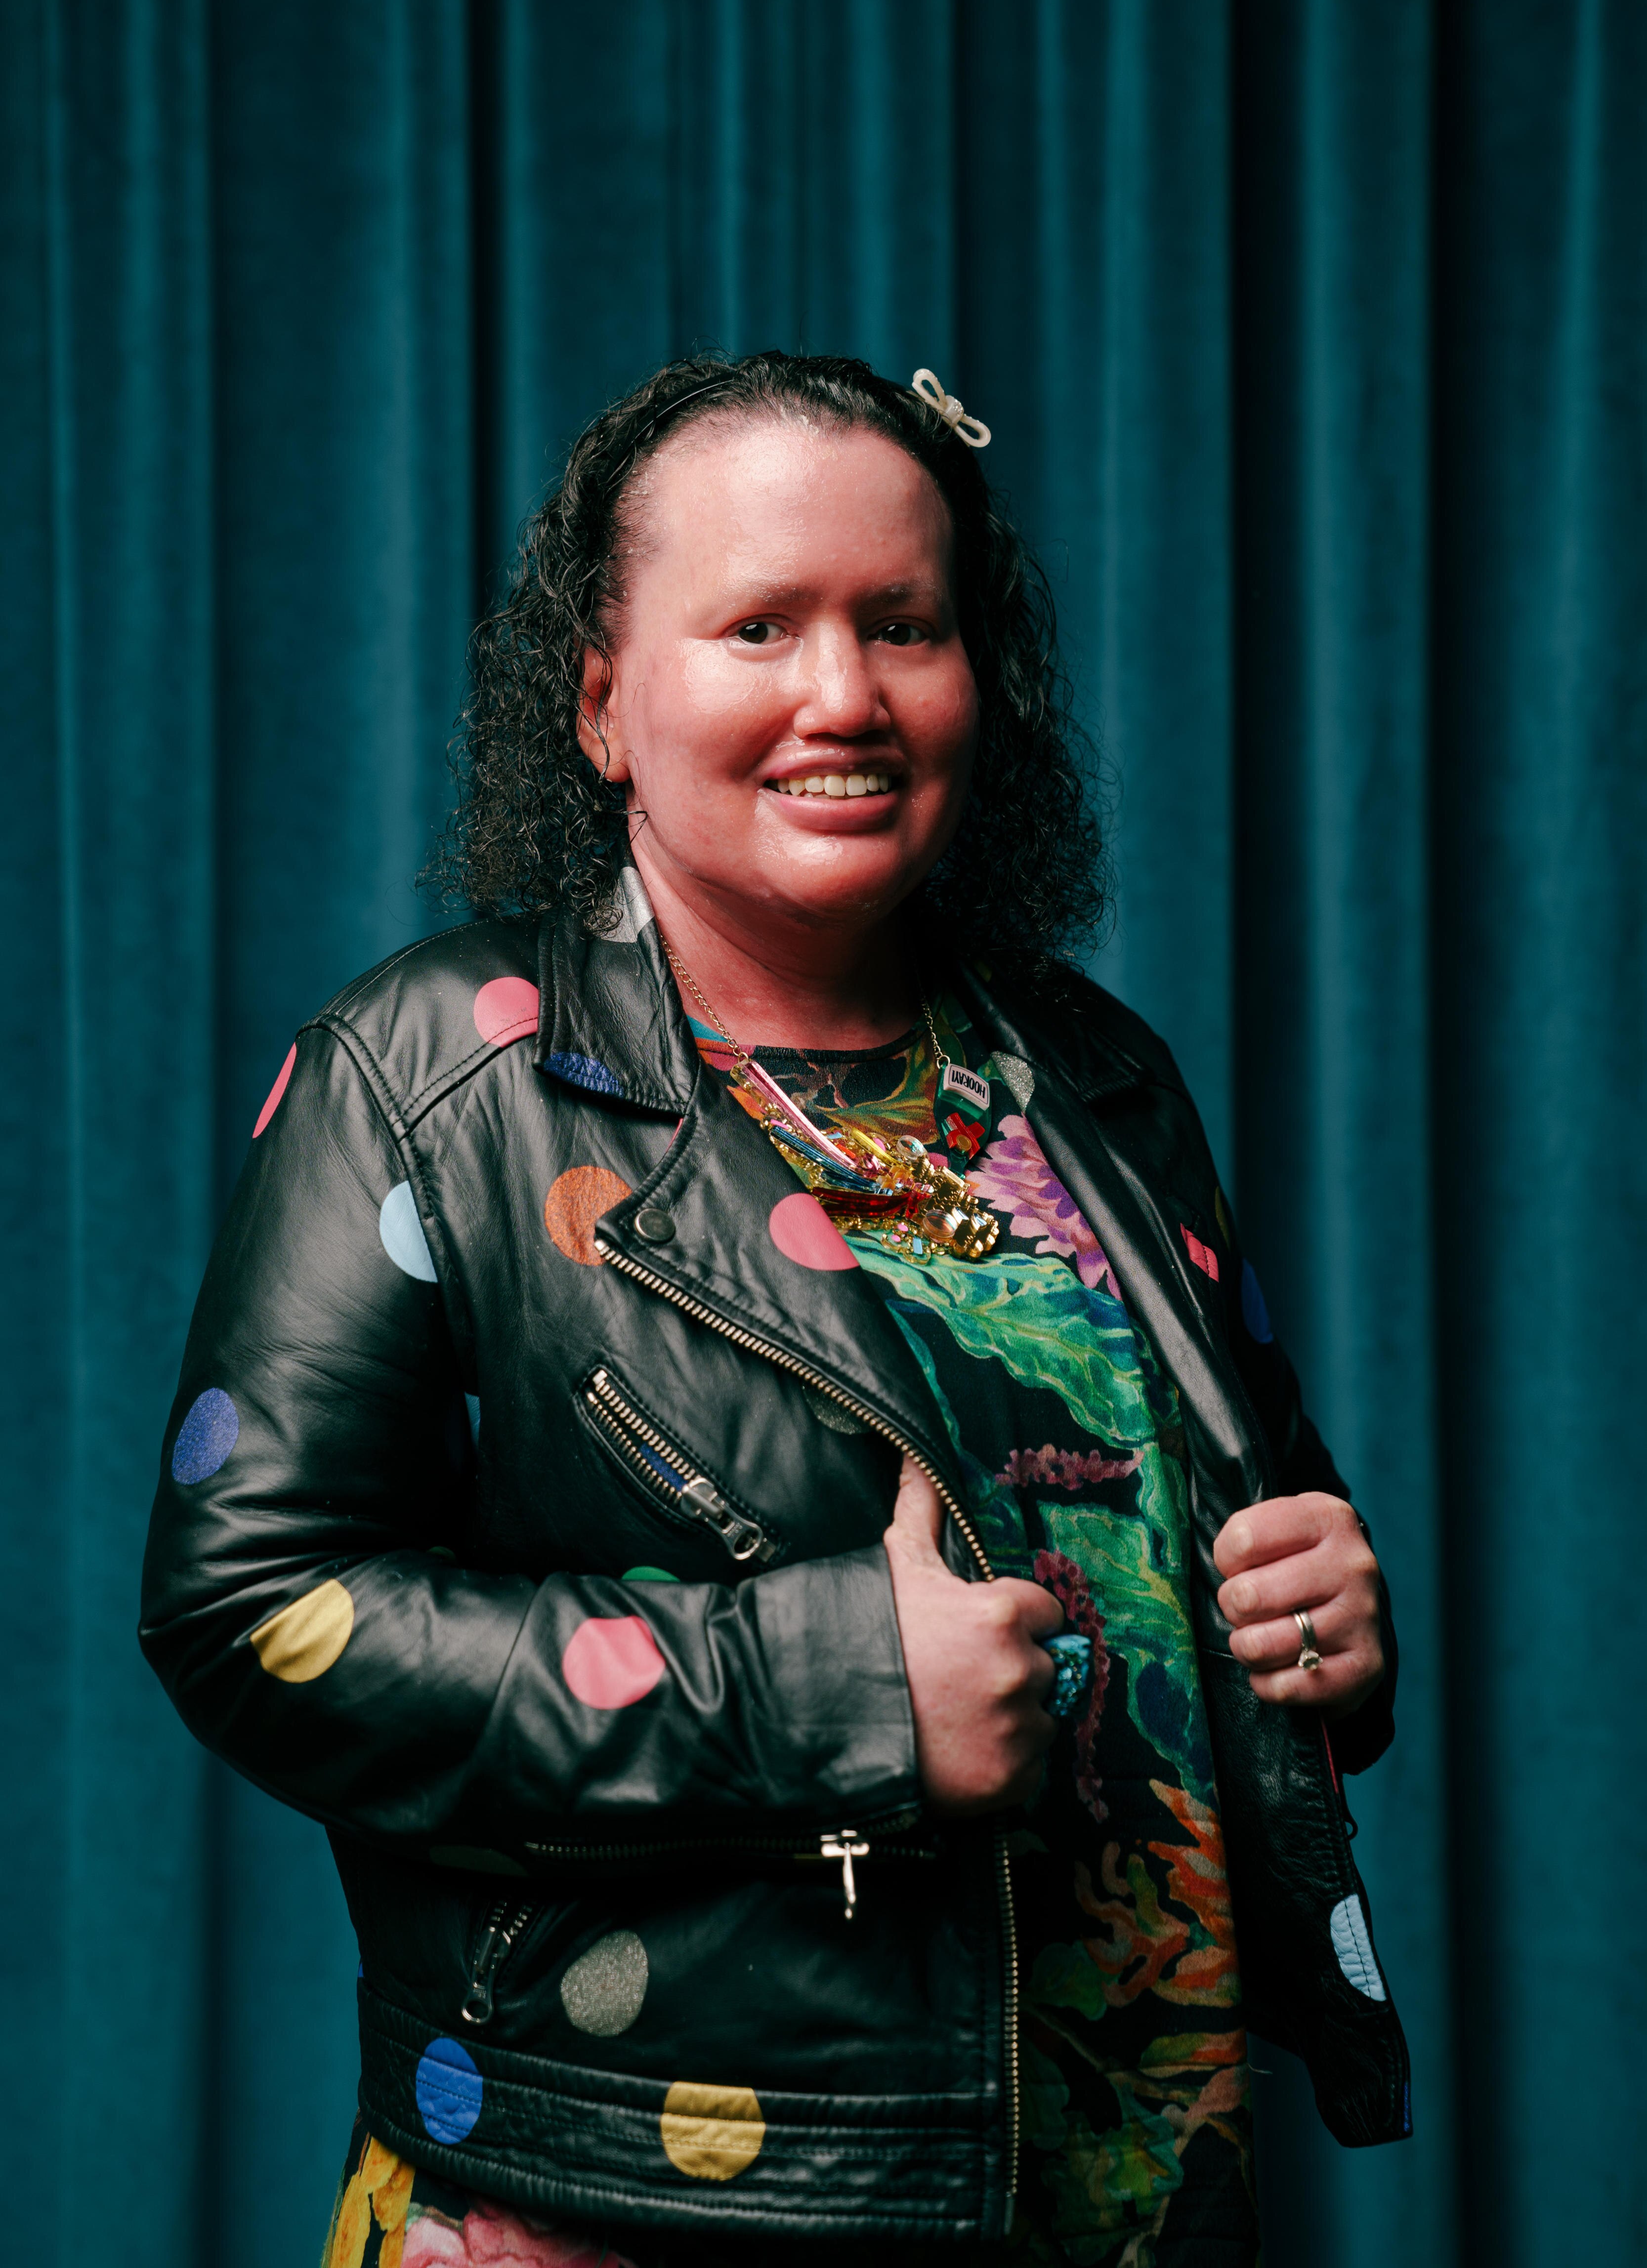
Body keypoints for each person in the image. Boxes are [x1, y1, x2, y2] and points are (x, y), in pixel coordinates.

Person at [140, 352, 1407, 2268]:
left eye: (905, 623)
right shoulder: (430, 1073)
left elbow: (1206, 1523)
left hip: (1136, 2172)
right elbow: (248, 1611)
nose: (846, 695)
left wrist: (1315, 1619)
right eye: (759, 626)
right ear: (602, 704)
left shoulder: (1093, 1074)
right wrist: (825, 1688)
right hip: (644, 2193)